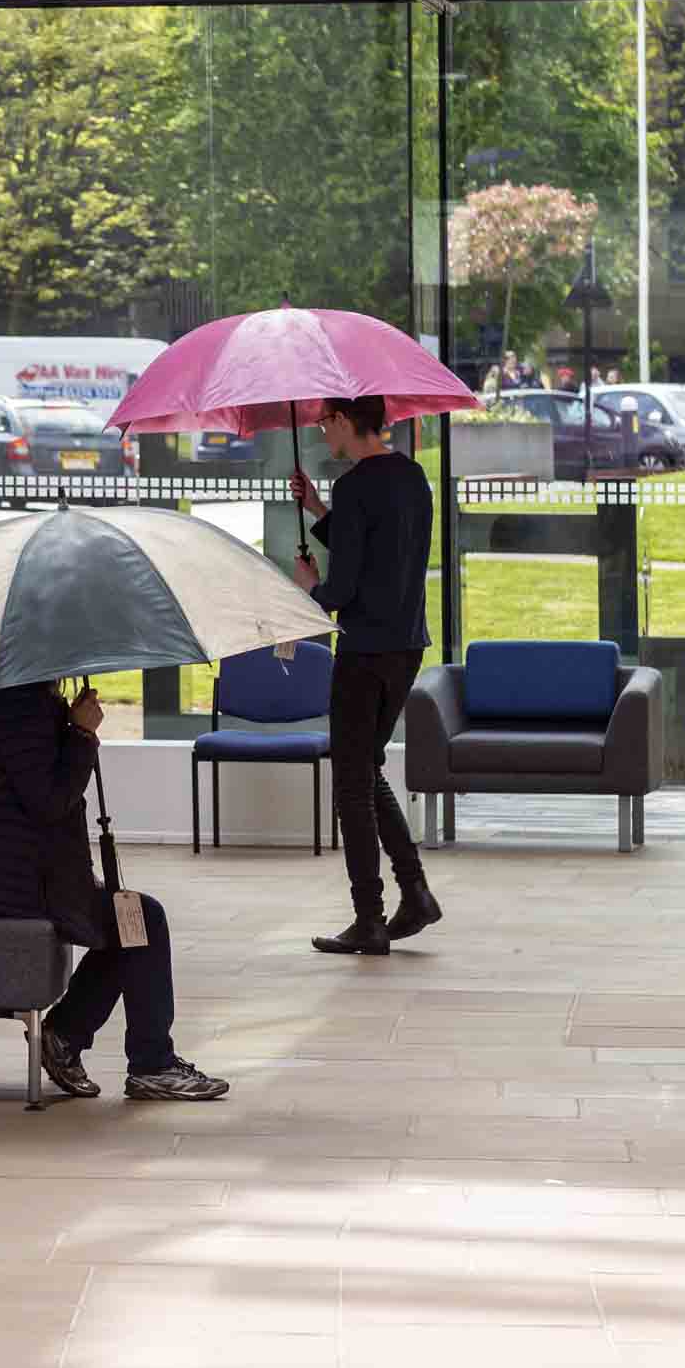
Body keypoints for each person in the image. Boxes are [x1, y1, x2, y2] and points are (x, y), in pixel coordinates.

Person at [0, 681, 228, 1101]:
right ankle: (149, 1063)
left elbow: (21, 796)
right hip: (2, 885)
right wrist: (81, 734)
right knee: (141, 919)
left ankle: (67, 1037)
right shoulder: (17, 706)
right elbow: (49, 801)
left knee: (126, 921)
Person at [291, 394, 442, 957]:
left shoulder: (355, 485)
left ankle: (369, 918)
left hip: (362, 652)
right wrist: (319, 512)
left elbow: (345, 587)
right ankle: (415, 892)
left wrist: (312, 587)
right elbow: (380, 550)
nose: (321, 429)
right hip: (405, 647)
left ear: (346, 421)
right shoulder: (412, 478)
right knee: (367, 767)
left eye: (325, 420)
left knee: (350, 785)